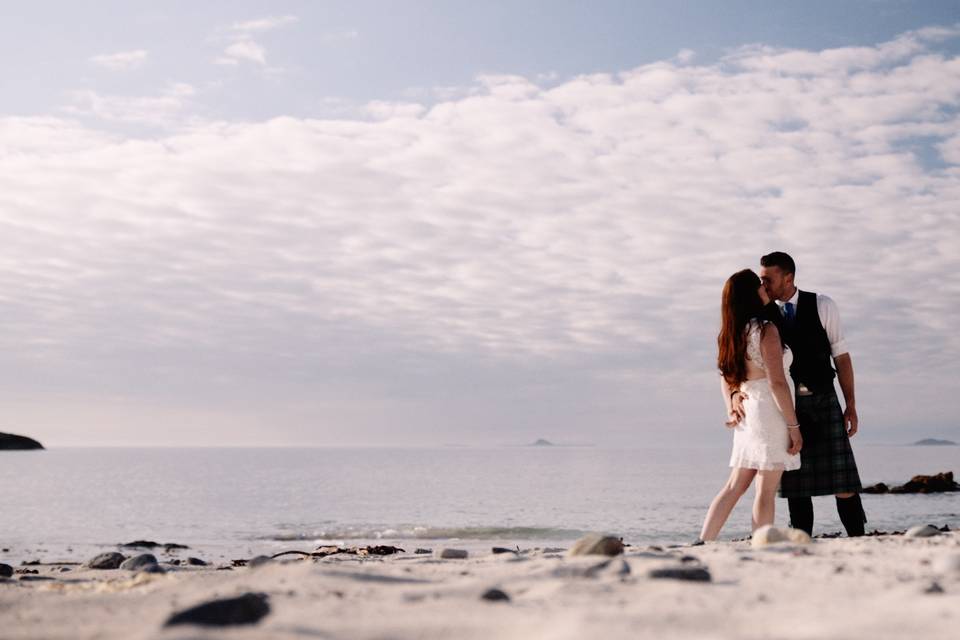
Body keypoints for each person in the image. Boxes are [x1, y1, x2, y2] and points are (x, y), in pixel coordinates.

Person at [733, 251, 866, 537]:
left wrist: (851, 405)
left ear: (788, 277)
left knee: (843, 484)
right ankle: (801, 542)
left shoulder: (822, 305)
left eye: (768, 279)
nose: (763, 284)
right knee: (795, 484)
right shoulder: (760, 317)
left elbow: (841, 357)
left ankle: (859, 538)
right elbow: (740, 363)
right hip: (784, 407)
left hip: (822, 399)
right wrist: (735, 393)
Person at [699, 269, 802, 541]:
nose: (764, 287)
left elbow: (726, 377)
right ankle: (762, 543)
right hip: (768, 411)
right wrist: (794, 426)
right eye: (759, 285)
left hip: (747, 414)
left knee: (734, 486)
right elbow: (777, 383)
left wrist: (731, 404)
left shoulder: (730, 333)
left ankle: (703, 540)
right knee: (765, 490)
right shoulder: (765, 330)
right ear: (750, 294)